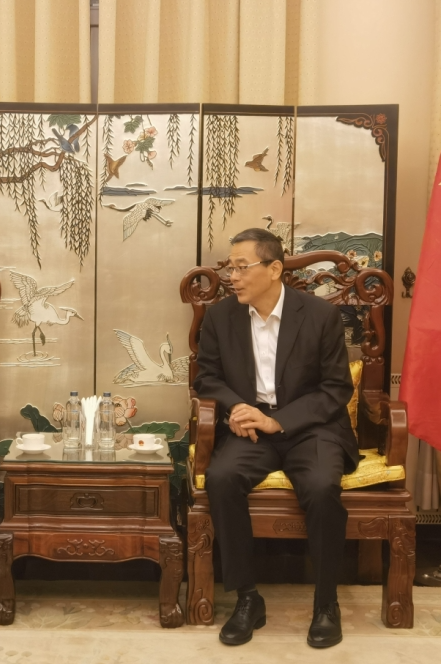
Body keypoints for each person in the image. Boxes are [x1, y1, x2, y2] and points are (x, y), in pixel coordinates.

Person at [194, 227, 357, 649]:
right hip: (251, 429)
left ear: (274, 269)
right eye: (230, 268)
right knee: (222, 478)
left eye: (241, 267)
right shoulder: (220, 316)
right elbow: (207, 378)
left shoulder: (319, 315)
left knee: (321, 486)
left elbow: (336, 389)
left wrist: (278, 422)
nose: (232, 277)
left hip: (312, 427)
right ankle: (247, 598)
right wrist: (238, 409)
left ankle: (326, 603)